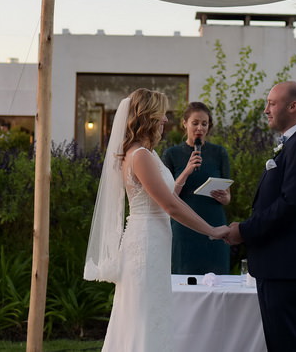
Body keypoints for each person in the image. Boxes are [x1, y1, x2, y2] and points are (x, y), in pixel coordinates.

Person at [84, 89, 228, 352]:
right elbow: (171, 206)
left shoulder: (143, 153)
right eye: (161, 114)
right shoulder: (139, 155)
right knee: (145, 313)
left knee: (150, 311)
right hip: (146, 243)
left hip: (154, 238)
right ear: (148, 117)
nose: (165, 120)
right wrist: (212, 231)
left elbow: (167, 198)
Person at [223, 81, 296, 351]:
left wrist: (243, 231)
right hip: (278, 264)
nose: (266, 109)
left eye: (272, 103)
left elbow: (290, 205)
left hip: (287, 265)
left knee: (288, 344)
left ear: (293, 106)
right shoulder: (293, 143)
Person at [162, 101, 232, 275]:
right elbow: (168, 197)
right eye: (195, 123)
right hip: (184, 227)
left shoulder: (219, 153)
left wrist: (224, 198)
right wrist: (186, 171)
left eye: (204, 123)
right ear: (184, 123)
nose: (200, 127)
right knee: (184, 279)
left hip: (214, 222)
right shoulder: (171, 154)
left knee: (217, 282)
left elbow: (228, 197)